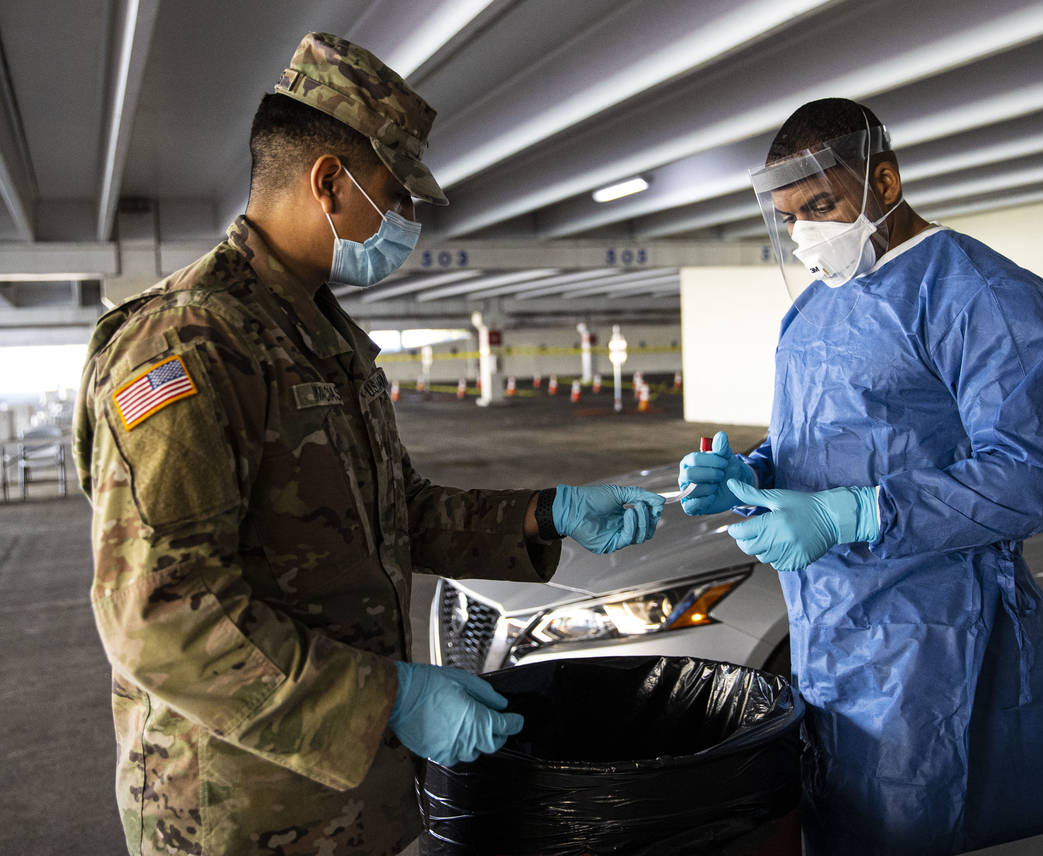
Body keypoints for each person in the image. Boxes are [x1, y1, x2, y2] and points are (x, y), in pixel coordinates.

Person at [72, 32, 664, 856]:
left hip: (349, 794)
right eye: (396, 194)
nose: (407, 221)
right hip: (236, 807)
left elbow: (390, 513)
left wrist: (545, 513)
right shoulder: (189, 345)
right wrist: (387, 699)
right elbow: (159, 616)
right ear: (328, 184)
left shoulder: (318, 333)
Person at [677, 98, 1043, 855]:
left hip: (941, 635)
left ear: (885, 183)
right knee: (846, 824)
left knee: (939, 822)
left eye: (821, 205)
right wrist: (751, 470)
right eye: (790, 216)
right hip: (832, 630)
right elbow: (841, 434)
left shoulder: (982, 295)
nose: (805, 233)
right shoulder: (814, 312)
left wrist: (858, 515)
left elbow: (1034, 476)